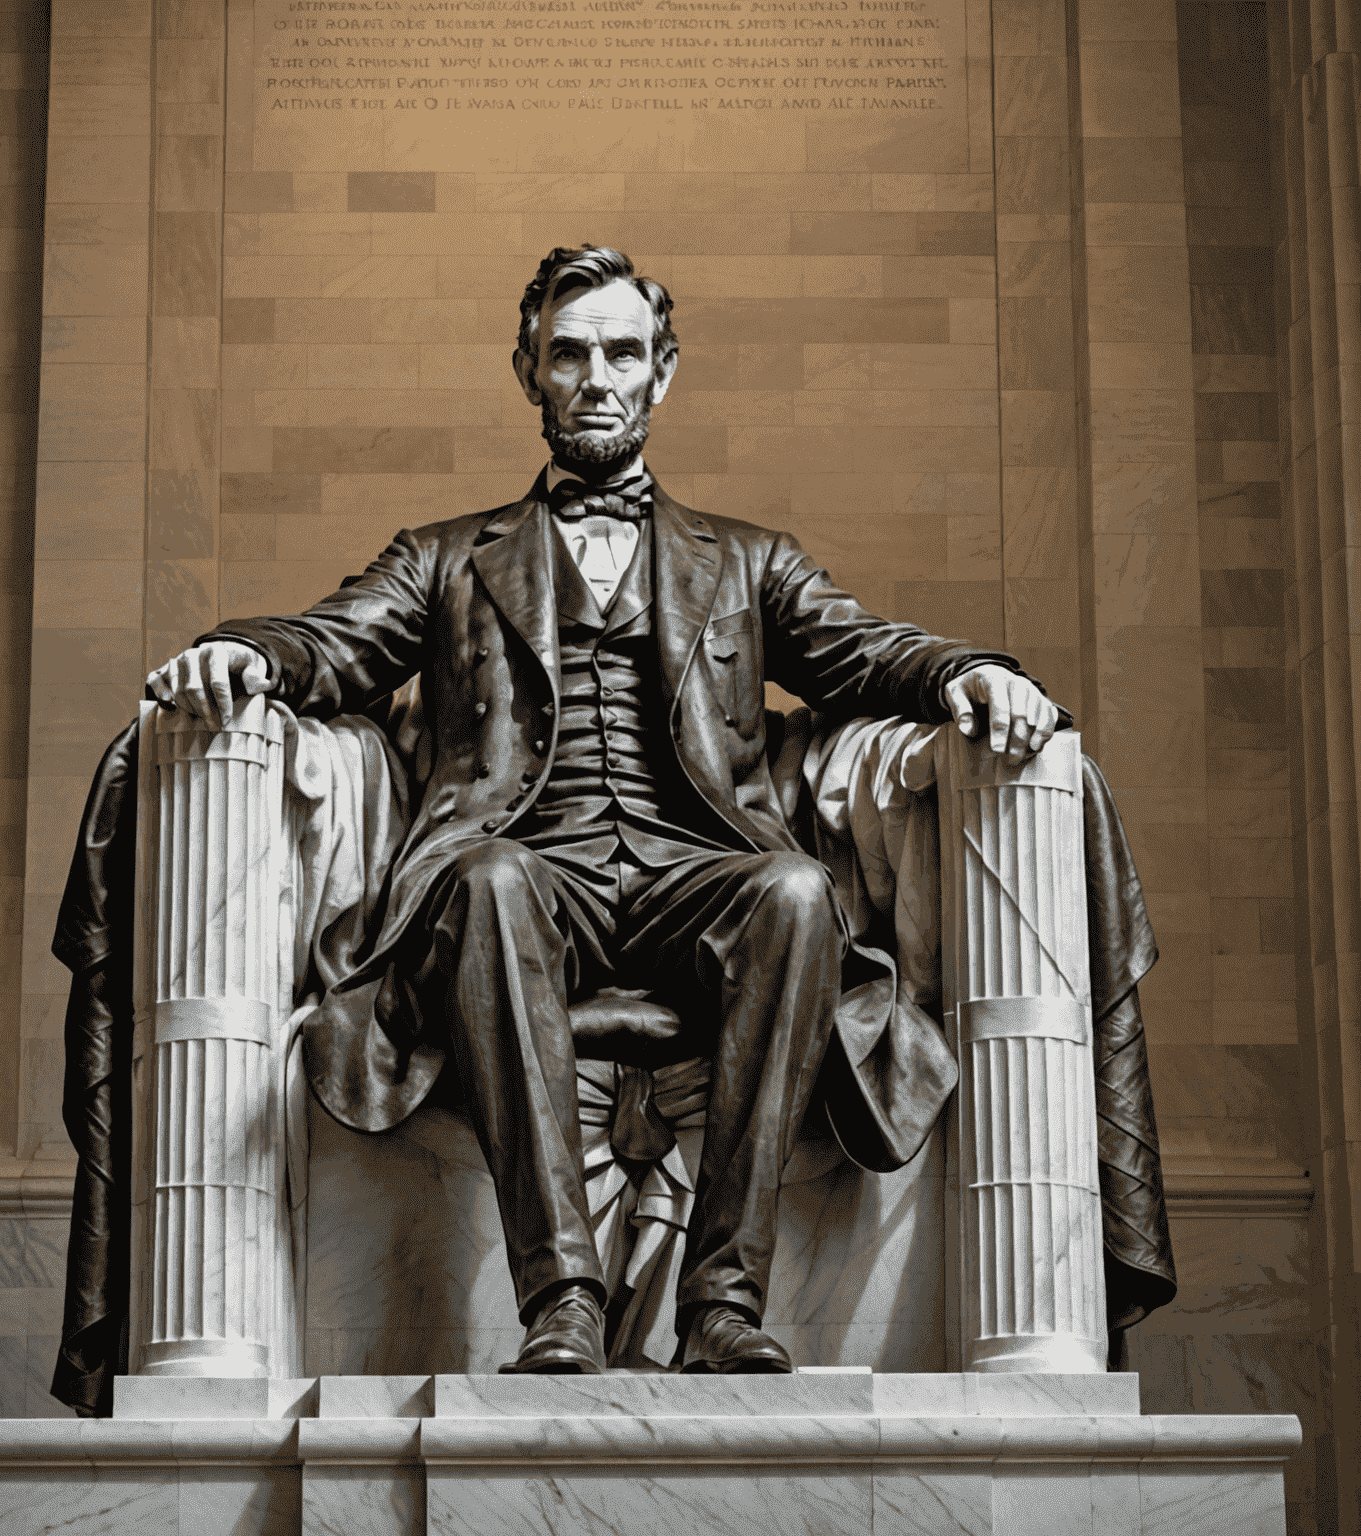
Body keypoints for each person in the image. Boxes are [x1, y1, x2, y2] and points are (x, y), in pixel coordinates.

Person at [147, 245, 1061, 1377]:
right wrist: (240, 651)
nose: (596, 375)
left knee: (795, 891)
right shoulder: (443, 558)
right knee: (486, 878)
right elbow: (334, 640)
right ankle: (562, 1300)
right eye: (569, 352)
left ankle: (724, 1301)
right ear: (528, 371)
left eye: (622, 352)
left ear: (663, 373)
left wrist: (965, 673)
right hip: (527, 879)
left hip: (694, 878)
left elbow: (862, 650)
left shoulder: (749, 559)